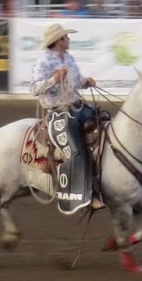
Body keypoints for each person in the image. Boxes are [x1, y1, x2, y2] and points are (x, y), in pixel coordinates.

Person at [29, 22, 102, 213]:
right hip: (58, 112)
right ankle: (86, 192)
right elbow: (34, 89)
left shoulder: (69, 58)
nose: (69, 39)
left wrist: (85, 82)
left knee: (106, 124)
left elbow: (76, 82)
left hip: (78, 107)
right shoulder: (43, 61)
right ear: (58, 41)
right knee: (76, 150)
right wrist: (54, 79)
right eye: (66, 37)